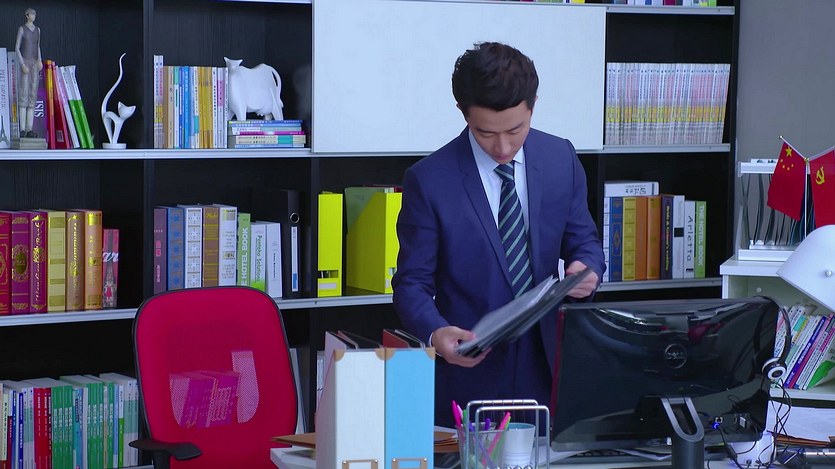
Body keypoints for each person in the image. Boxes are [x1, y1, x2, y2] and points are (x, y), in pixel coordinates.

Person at [392, 42, 606, 427]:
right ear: (463, 112)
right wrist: (436, 333)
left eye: (516, 129)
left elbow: (585, 242)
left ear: (533, 105)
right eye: (486, 133)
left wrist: (586, 268)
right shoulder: (429, 180)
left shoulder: (561, 158)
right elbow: (411, 283)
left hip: (552, 366)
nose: (503, 147)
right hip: (471, 373)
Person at [15, 7, 43, 139]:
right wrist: (22, 64)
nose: (34, 16)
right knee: (23, 93)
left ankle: (29, 128)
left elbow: (38, 46)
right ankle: (22, 129)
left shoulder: (38, 30)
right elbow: (17, 47)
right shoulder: (22, 29)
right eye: (32, 14)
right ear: (27, 15)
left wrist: (40, 60)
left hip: (34, 63)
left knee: (33, 94)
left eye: (34, 14)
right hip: (25, 63)